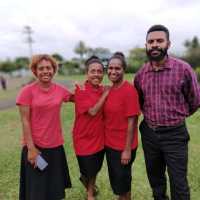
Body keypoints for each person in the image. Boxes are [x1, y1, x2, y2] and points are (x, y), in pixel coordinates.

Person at [134, 24, 200, 200]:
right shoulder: (141, 74)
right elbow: (139, 102)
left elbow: (195, 101)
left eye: (159, 41)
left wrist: (176, 117)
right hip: (149, 134)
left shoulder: (183, 69)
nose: (155, 44)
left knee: (179, 183)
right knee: (156, 181)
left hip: (175, 135)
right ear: (146, 45)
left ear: (168, 44)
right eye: (151, 41)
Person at [16, 54, 72, 200]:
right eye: (41, 68)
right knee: (37, 191)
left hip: (55, 146)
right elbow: (25, 121)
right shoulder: (26, 92)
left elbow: (77, 98)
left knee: (54, 188)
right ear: (35, 71)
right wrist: (31, 149)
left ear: (54, 70)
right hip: (36, 148)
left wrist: (91, 88)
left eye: (49, 67)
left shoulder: (60, 90)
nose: (45, 71)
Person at [104, 52, 140, 200]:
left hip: (123, 146)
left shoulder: (129, 91)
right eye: (110, 68)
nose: (113, 71)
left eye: (117, 68)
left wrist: (126, 150)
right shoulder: (109, 90)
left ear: (124, 70)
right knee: (118, 182)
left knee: (123, 182)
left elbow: (132, 121)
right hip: (110, 144)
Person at [72, 56, 110, 200]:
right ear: (87, 73)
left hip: (99, 137)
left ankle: (89, 190)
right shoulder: (80, 90)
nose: (96, 74)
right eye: (92, 71)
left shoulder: (102, 89)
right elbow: (93, 111)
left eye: (99, 71)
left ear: (103, 73)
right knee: (86, 169)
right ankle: (89, 189)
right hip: (82, 137)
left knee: (95, 168)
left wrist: (106, 91)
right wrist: (106, 94)